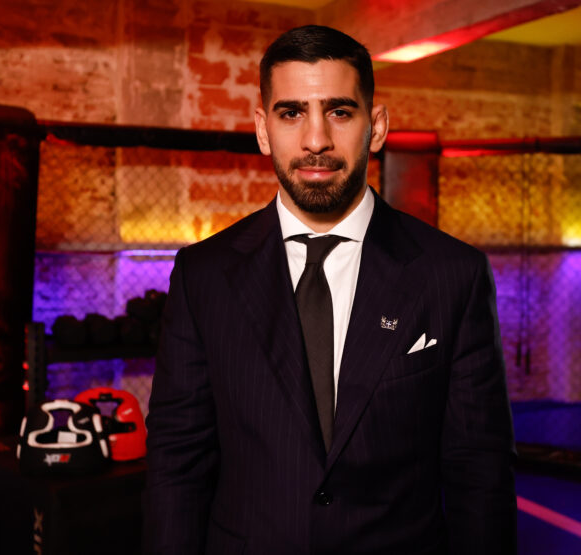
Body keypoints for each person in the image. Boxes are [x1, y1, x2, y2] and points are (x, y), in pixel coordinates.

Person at [144, 24, 516, 555]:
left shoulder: (452, 274)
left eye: (339, 112)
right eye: (291, 113)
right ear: (263, 129)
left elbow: (479, 470)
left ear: (376, 126)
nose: (316, 140)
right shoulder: (203, 274)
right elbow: (177, 463)